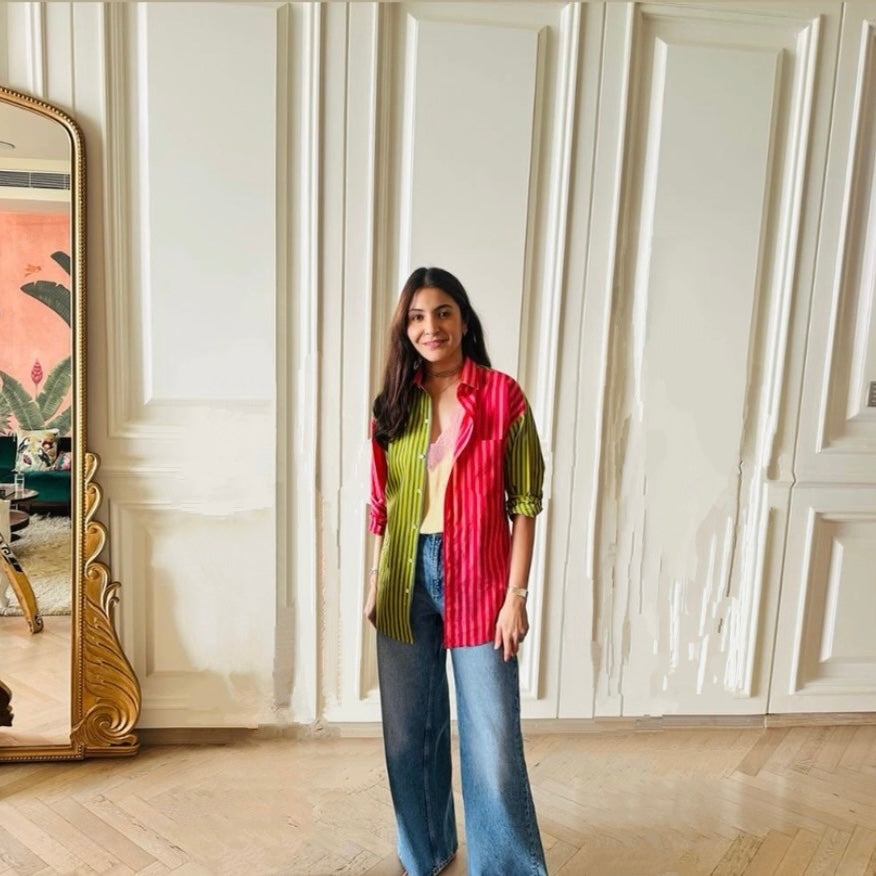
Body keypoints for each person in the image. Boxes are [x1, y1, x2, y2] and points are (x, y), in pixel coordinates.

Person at [366, 266, 548, 876]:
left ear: (464, 320)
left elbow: (525, 503)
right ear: (405, 329)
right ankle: (427, 853)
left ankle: (505, 868)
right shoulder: (393, 404)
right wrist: (375, 581)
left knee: (491, 740)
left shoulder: (501, 396)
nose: (431, 327)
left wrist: (516, 595)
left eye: (442, 312)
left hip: (481, 579)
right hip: (402, 579)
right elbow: (383, 504)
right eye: (417, 317)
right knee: (408, 737)